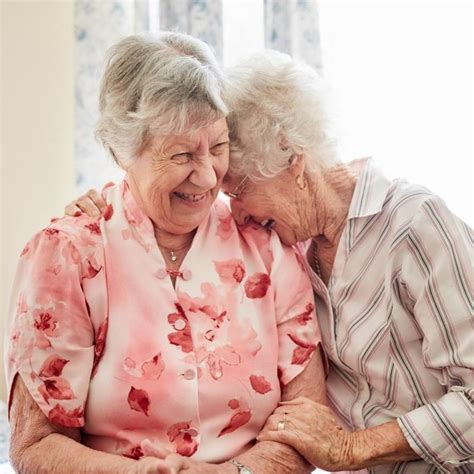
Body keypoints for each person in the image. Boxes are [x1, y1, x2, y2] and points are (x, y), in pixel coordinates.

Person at [73, 49, 473, 473]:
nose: (237, 214)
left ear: (292, 159)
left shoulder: (414, 224)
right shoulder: (286, 246)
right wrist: (105, 212)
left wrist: (352, 448)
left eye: (238, 189)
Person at [5, 35, 327, 474]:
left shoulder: (266, 246)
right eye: (181, 154)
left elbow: (307, 417)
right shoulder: (68, 256)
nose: (207, 173)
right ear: (123, 151)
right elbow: (37, 443)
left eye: (217, 147)